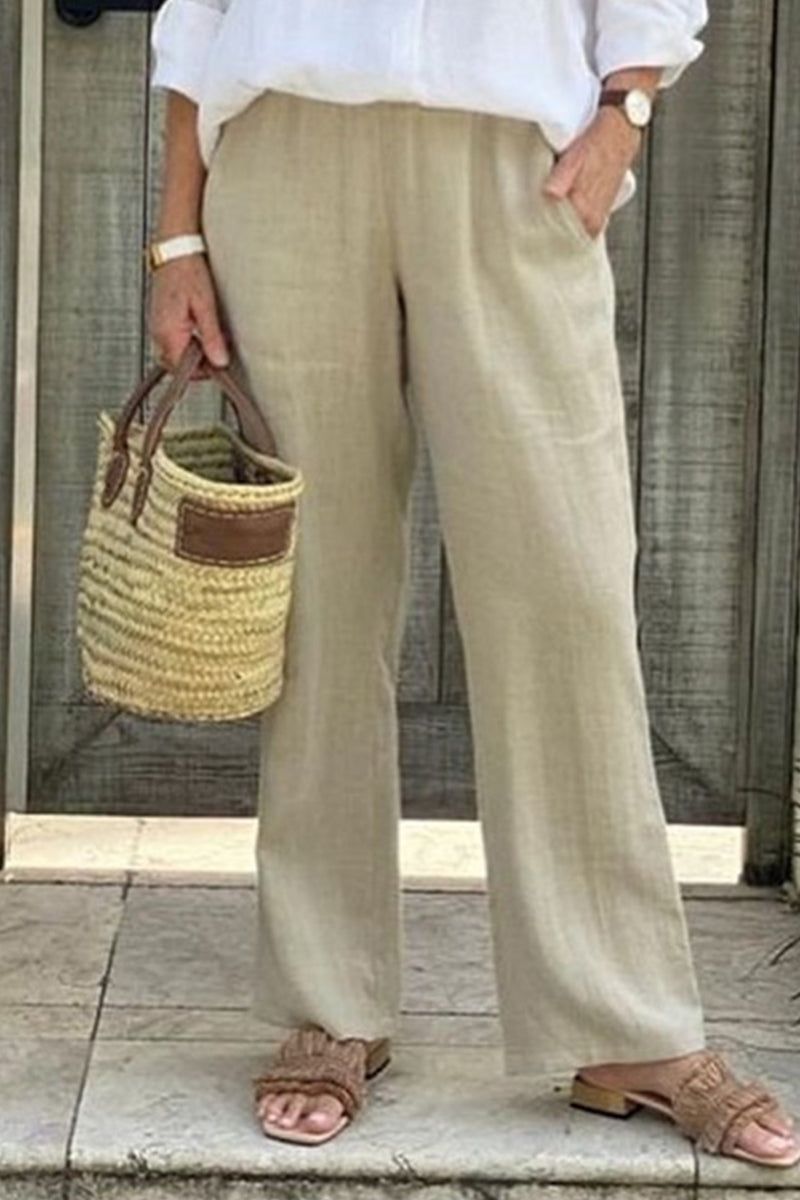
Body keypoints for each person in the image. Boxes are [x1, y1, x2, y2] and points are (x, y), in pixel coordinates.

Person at [146, 0, 800, 1165]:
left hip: (512, 160)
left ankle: (623, 1024)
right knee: (316, 602)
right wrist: (177, 238)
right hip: (288, 146)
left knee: (565, 587)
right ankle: (330, 1002)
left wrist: (624, 110)